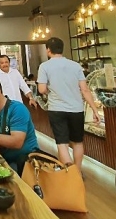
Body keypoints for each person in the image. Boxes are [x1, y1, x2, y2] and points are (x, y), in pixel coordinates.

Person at [36, 37, 100, 173]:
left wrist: (50, 91)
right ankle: (77, 171)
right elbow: (85, 89)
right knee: (77, 142)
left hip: (56, 109)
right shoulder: (75, 65)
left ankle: (70, 175)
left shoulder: (45, 66)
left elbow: (41, 89)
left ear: (48, 50)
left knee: (62, 144)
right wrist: (95, 110)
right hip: (76, 109)